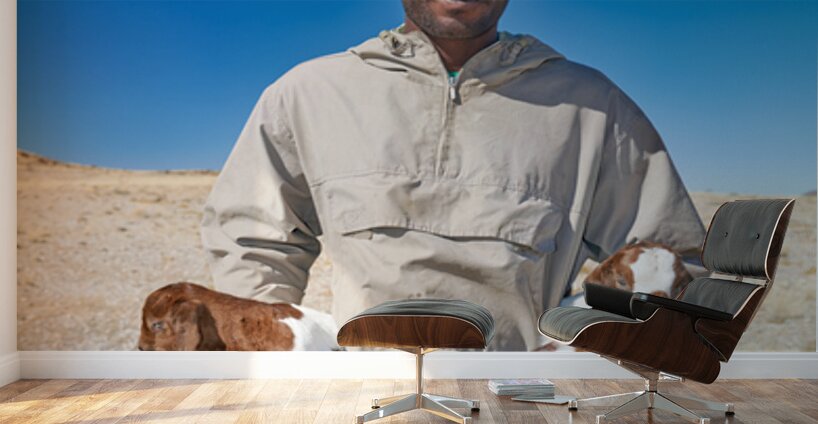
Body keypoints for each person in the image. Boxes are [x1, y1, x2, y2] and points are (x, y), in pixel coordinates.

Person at [200, 0, 705, 351]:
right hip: (361, 399)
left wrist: (575, 362)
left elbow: (669, 261)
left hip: (522, 403)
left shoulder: (592, 107)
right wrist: (273, 369)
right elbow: (253, 245)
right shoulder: (307, 95)